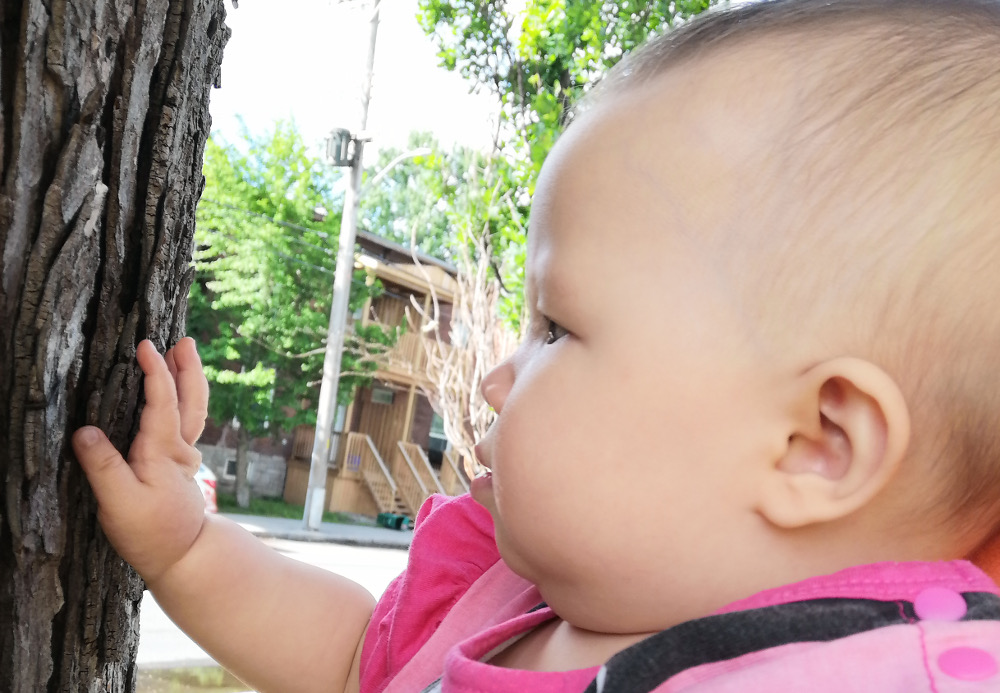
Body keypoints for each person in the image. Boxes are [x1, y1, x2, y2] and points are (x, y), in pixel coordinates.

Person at [72, 0, 1000, 690]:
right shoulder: (502, 595)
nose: (493, 378)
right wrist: (187, 546)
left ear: (817, 443)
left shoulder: (885, 671)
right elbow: (357, 653)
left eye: (557, 327)